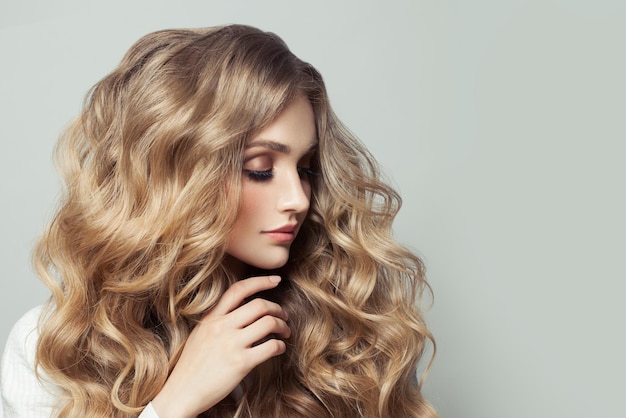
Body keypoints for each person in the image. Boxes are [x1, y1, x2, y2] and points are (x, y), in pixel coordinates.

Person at [0, 25, 436, 418]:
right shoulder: (53, 346)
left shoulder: (353, 332)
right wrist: (175, 403)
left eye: (305, 168)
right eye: (260, 169)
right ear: (176, 176)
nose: (298, 199)